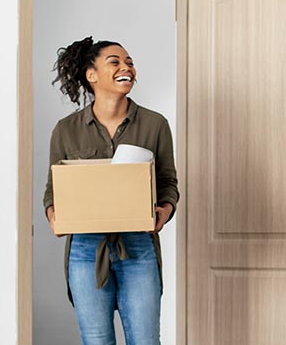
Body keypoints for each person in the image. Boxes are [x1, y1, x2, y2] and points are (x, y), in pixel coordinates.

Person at [44, 37, 178, 345]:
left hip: (138, 247)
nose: (126, 67)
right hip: (85, 251)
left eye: (129, 62)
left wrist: (164, 212)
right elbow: (53, 189)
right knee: (96, 341)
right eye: (115, 62)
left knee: (145, 340)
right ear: (91, 75)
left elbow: (168, 182)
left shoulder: (155, 124)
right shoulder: (66, 129)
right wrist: (54, 215)